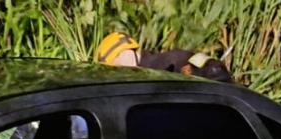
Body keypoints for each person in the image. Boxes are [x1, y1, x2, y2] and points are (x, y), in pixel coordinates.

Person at [95, 31, 235, 83]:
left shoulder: (172, 60)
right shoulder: (141, 78)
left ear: (124, 54)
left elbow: (217, 71)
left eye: (114, 67)